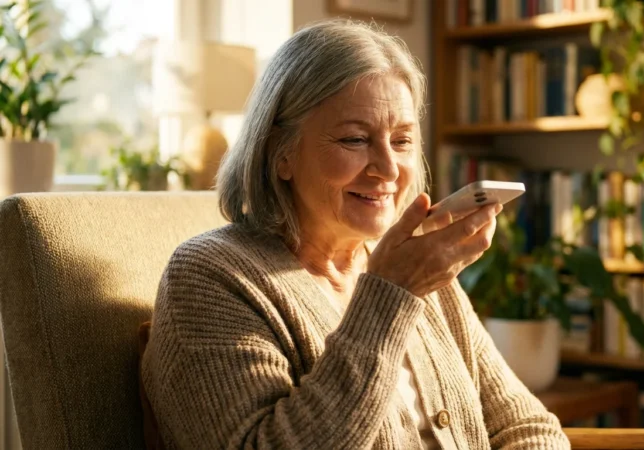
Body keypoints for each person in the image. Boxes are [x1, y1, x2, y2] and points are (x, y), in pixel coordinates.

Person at [140, 19, 570, 450]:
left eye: (402, 141)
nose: (387, 168)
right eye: (354, 139)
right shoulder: (209, 277)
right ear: (280, 153)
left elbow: (528, 426)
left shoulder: (422, 269)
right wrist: (390, 295)